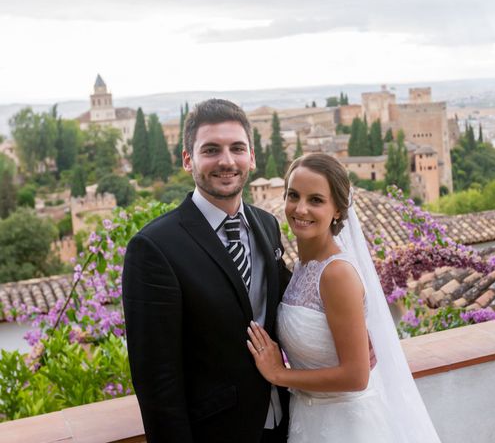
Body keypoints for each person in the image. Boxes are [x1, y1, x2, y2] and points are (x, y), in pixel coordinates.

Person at [122, 99, 291, 443]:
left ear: (252, 157)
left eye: (237, 148)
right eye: (211, 149)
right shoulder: (154, 247)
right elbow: (157, 378)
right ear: (188, 160)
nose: (227, 161)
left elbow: (293, 298)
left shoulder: (267, 225)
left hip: (283, 422)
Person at [247, 153, 442, 442]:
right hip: (309, 418)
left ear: (338, 209)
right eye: (293, 195)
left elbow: (356, 376)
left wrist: (279, 374)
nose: (300, 209)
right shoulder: (302, 267)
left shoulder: (337, 274)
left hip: (346, 427)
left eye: (316, 200)